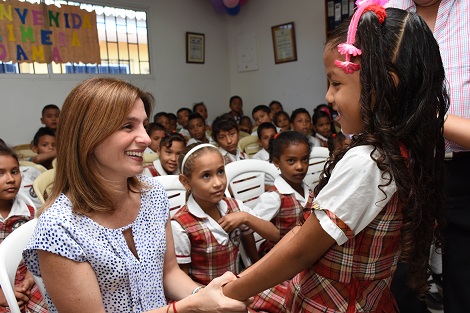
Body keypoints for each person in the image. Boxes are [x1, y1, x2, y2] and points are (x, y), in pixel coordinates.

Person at [222, 4, 448, 312]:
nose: (328, 96)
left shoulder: (368, 163)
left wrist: (230, 293)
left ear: (383, 86)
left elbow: (299, 253)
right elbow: (303, 236)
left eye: (336, 83)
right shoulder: (402, 150)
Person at [22, 77, 248, 313]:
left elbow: (169, 273)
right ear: (87, 135)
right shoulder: (59, 228)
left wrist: (205, 296)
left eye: (143, 125)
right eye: (128, 126)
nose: (147, 139)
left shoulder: (152, 195)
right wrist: (191, 306)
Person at [386, 1, 470, 312]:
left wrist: (426, 115)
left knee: (464, 282)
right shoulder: (382, 11)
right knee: (398, 281)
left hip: (462, 172)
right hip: (401, 171)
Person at [171, 143, 279, 285]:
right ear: (186, 182)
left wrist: (246, 218)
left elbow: (275, 235)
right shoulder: (180, 226)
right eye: (206, 176)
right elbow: (181, 282)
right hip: (205, 297)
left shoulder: (234, 206)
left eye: (220, 172)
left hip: (238, 286)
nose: (218, 183)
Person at [0, 144, 47, 313]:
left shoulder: (28, 210)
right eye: (0, 173)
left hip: (27, 278)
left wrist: (29, 279)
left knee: (52, 303)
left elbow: (36, 252)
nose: (11, 179)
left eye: (14, 171)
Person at [253, 131, 313, 256]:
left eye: (305, 159)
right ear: (276, 162)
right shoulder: (274, 198)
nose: (300, 166)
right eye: (291, 161)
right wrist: (253, 261)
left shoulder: (308, 190)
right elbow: (249, 231)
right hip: (282, 257)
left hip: (304, 251)